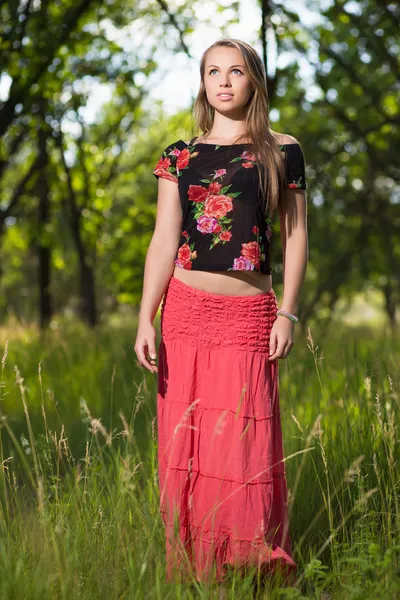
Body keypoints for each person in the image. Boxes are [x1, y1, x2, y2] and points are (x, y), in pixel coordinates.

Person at [134, 37, 308, 591]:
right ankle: (193, 571)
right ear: (203, 82)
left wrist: (289, 314)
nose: (224, 81)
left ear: (254, 80)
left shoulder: (283, 150)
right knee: (187, 444)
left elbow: (296, 235)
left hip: (249, 314)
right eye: (213, 72)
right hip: (183, 312)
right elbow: (164, 241)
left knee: (242, 442)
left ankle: (249, 566)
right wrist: (145, 316)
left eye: (236, 71)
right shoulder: (179, 155)